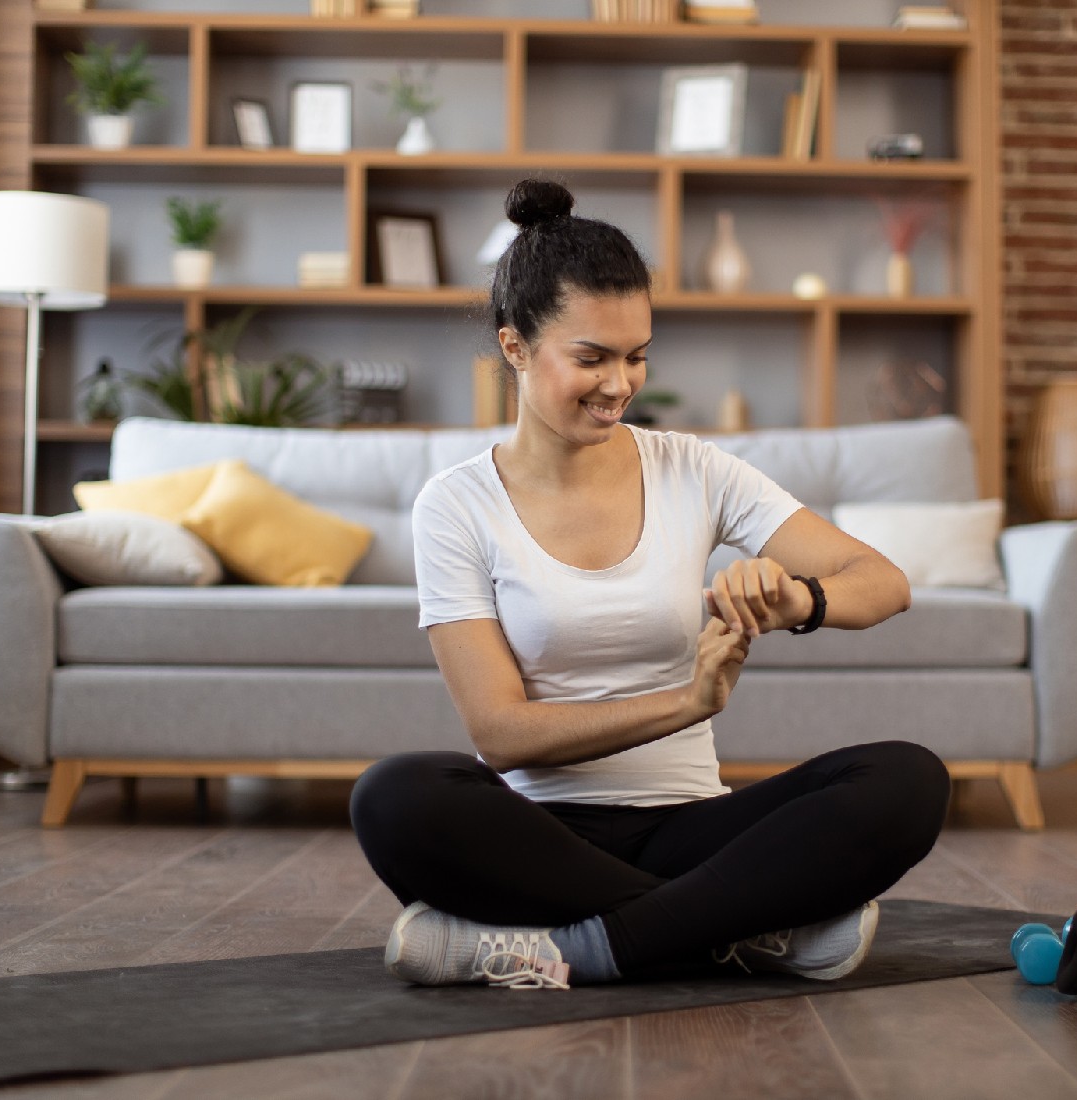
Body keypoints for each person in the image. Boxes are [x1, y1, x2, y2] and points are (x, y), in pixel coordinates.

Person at [350, 178, 951, 991]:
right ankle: (748, 923)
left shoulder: (692, 469)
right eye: (591, 358)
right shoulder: (457, 504)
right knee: (396, 796)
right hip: (537, 837)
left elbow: (882, 583)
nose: (619, 385)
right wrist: (686, 704)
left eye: (636, 356)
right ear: (515, 346)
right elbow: (501, 734)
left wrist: (799, 601)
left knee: (907, 779)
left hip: (691, 827)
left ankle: (574, 950)